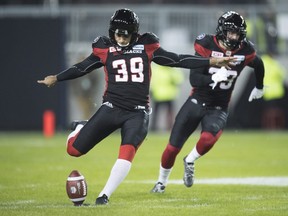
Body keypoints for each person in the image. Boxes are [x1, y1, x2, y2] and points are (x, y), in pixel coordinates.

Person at [37, 8, 234, 205]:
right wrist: (57, 77)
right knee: (73, 150)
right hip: (111, 107)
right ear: (111, 32)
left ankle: (103, 196)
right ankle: (81, 127)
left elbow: (177, 59)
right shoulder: (104, 48)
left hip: (138, 113)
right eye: (117, 34)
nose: (121, 38)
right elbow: (82, 67)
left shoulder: (147, 45)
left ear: (134, 32)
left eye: (125, 34)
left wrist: (212, 60)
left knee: (126, 153)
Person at [151, 11, 265, 193]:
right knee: (172, 148)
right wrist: (213, 78)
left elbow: (258, 64)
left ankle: (190, 160)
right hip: (197, 100)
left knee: (208, 138)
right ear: (222, 31)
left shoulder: (245, 50)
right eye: (231, 33)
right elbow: (194, 79)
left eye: (237, 34)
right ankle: (160, 183)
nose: (234, 37)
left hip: (219, 106)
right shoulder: (206, 43)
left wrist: (259, 86)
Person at [150, 64, 184, 132]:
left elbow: (179, 80)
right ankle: (154, 128)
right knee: (158, 113)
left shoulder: (158, 69)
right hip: (159, 95)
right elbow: (151, 81)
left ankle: (169, 128)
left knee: (168, 113)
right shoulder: (157, 69)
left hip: (167, 95)